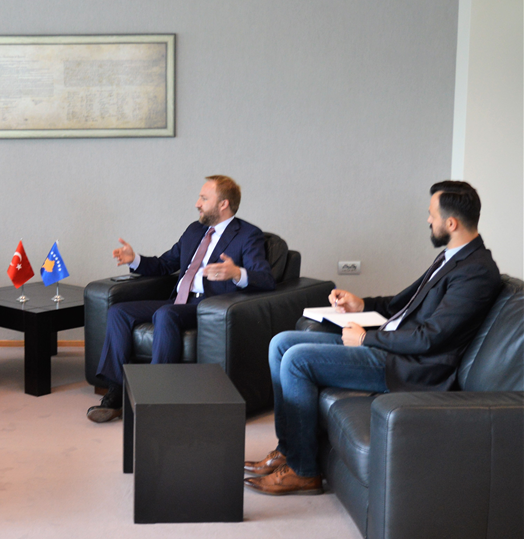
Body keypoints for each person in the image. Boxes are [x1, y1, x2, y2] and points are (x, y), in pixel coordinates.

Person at [244, 180, 502, 495]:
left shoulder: (476, 271)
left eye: (432, 215)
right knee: (281, 343)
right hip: (391, 347)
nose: (428, 220)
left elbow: (431, 338)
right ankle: (288, 449)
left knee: (297, 360)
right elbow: (404, 303)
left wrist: (367, 340)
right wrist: (361, 304)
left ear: (451, 223)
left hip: (410, 365)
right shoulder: (450, 258)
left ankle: (303, 470)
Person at [87, 175, 276, 423]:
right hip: (179, 301)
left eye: (204, 198)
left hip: (209, 307)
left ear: (223, 204)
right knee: (119, 312)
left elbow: (266, 279)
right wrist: (135, 260)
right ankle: (116, 391)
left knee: (166, 314)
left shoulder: (248, 235)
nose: (197, 203)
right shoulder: (194, 230)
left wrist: (236, 273)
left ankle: (155, 398)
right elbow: (166, 264)